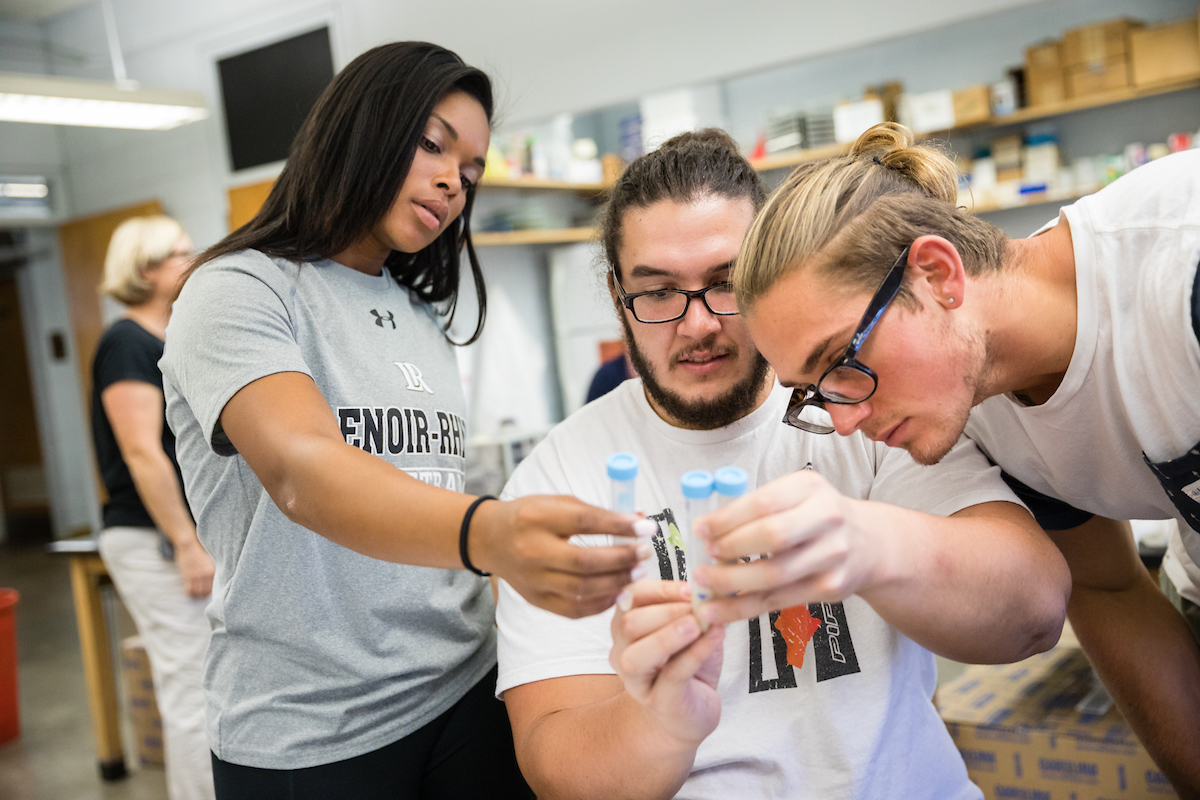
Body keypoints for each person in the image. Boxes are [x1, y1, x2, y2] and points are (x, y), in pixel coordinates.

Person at [495, 130, 1070, 799]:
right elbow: (558, 769)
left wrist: (867, 543)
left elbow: (1035, 610)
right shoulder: (557, 477)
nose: (698, 324)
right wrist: (659, 723)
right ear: (617, 293)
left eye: (724, 284)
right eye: (657, 293)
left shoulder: (863, 401)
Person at [159, 42, 644, 799]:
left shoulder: (420, 314)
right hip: (312, 727)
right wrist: (494, 534)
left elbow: (426, 487)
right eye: (432, 145)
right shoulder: (237, 292)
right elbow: (300, 470)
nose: (454, 181)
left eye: (472, 170)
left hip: (464, 686)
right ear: (364, 126)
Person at [732, 121, 1200, 796]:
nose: (843, 419)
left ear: (937, 273)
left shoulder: (1179, 267)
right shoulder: (973, 412)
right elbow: (1110, 589)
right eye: (813, 392)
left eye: (841, 361)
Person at [92, 214, 215, 800]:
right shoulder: (125, 342)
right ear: (146, 269)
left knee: (212, 683)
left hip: (182, 535)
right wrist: (188, 543)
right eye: (180, 254)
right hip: (152, 538)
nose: (193, 261)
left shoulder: (175, 337)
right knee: (192, 686)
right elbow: (143, 454)